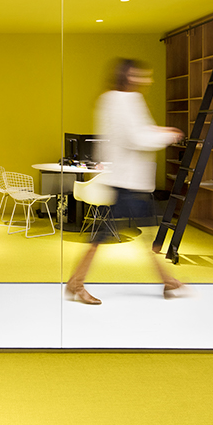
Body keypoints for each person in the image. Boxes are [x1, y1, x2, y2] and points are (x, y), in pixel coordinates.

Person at [65, 59, 185, 305]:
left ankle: (168, 281)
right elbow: (136, 138)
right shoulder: (126, 100)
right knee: (120, 234)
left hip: (122, 178)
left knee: (140, 232)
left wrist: (159, 131)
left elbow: (134, 132)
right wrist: (167, 136)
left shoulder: (109, 99)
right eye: (142, 75)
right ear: (130, 76)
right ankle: (76, 283)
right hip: (127, 180)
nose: (147, 80)